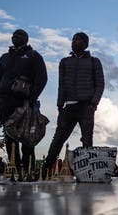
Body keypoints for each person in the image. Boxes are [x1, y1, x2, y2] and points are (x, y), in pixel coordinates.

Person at [42, 32, 104, 178]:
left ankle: (88, 173)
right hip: (68, 107)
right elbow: (61, 85)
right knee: (58, 138)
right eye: (73, 39)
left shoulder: (94, 62)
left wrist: (93, 103)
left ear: (86, 44)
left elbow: (100, 84)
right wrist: (59, 104)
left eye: (79, 40)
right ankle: (45, 169)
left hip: (86, 107)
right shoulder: (64, 62)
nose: (75, 41)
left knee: (87, 140)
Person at [0, 29, 47, 173]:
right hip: (5, 102)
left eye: (19, 35)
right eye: (13, 35)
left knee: (27, 136)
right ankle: (14, 168)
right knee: (9, 136)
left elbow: (42, 79)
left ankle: (28, 169)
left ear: (27, 39)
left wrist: (31, 98)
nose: (15, 36)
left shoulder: (33, 56)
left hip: (25, 102)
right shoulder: (4, 57)